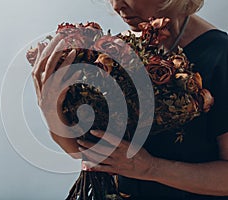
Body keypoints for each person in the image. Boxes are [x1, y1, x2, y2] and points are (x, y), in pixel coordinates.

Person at [32, 0, 228, 199]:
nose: (117, 5)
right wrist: (50, 107)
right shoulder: (120, 51)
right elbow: (85, 152)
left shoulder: (220, 55)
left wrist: (152, 168)